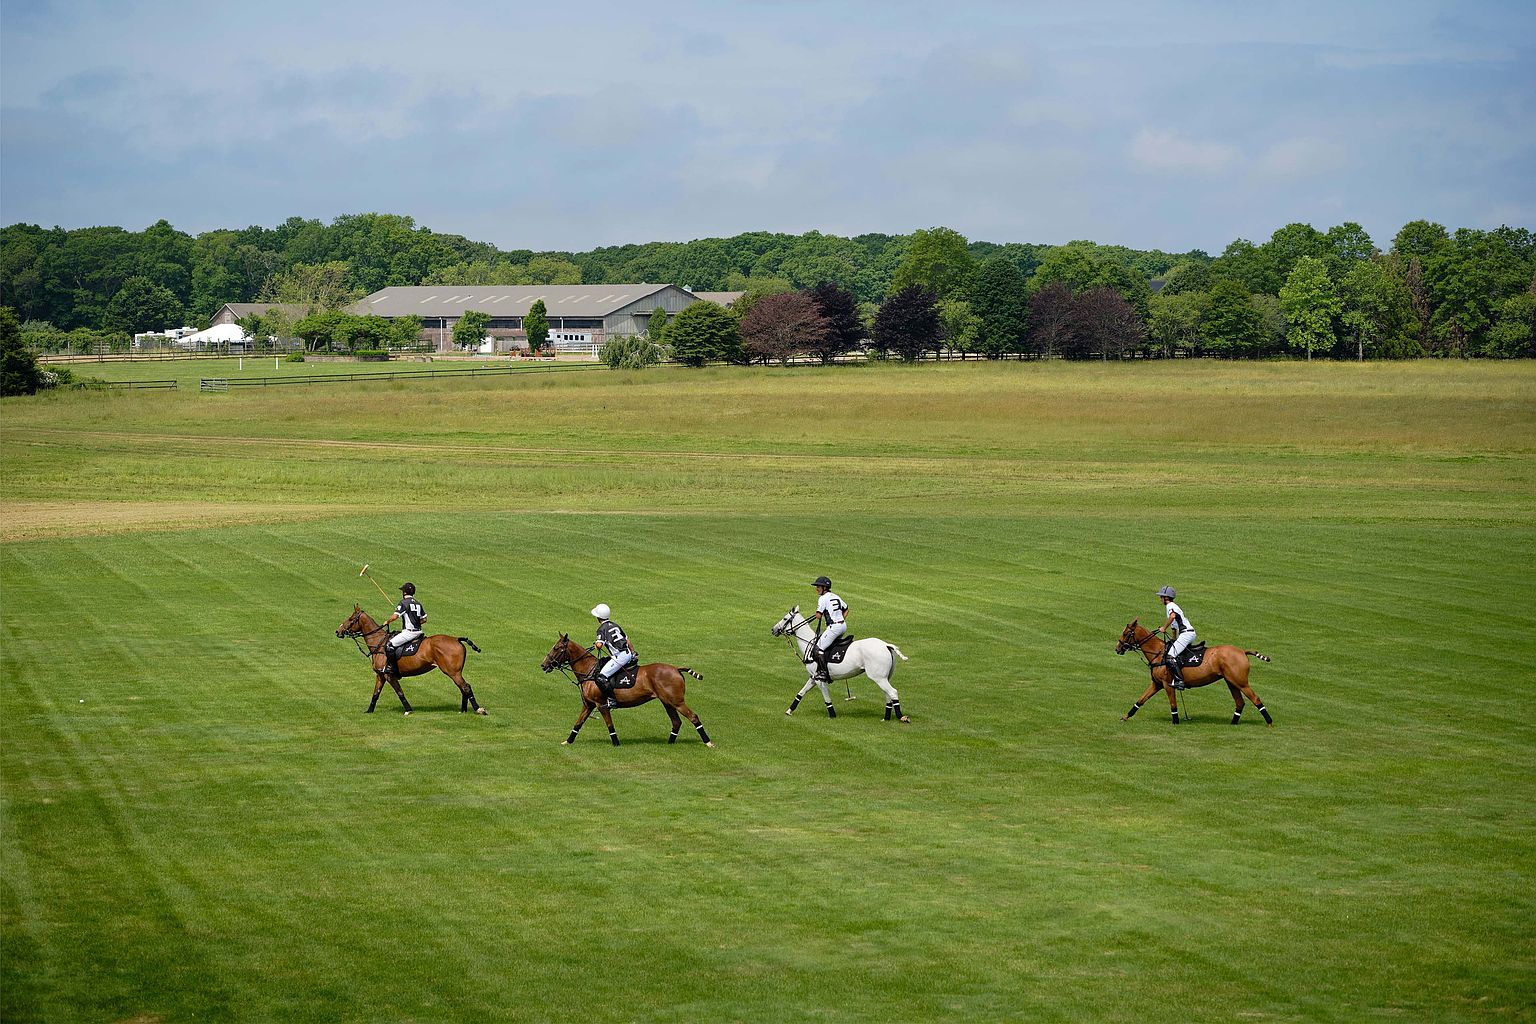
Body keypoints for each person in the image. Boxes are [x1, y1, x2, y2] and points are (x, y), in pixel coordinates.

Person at [591, 603, 635, 709]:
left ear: (598, 617)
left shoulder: (602, 629)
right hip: (628, 653)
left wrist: (596, 644)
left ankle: (612, 700)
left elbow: (599, 645)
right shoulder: (615, 625)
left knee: (601, 676)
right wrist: (633, 653)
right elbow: (627, 640)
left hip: (620, 656)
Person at [808, 575, 848, 683]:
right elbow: (846, 609)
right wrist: (840, 620)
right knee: (830, 646)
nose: (816, 589)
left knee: (818, 648)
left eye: (818, 587)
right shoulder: (836, 596)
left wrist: (821, 614)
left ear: (824, 588)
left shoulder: (823, 598)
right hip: (843, 626)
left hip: (834, 628)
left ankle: (823, 673)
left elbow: (818, 616)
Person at [1156, 585, 1196, 689]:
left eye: (1161, 597)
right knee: (1177, 654)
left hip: (1186, 634)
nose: (1160, 599)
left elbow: (1172, 616)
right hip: (1188, 633)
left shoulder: (1170, 605)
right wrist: (1173, 640)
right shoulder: (1171, 606)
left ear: (1166, 598)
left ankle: (1180, 681)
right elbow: (1174, 627)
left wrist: (1164, 628)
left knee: (1170, 656)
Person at [383, 582, 426, 678]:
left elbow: (395, 617)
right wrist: (416, 623)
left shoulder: (403, 603)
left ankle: (391, 668)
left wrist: (387, 621)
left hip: (409, 633)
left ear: (404, 593)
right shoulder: (418, 603)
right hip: (419, 632)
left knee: (389, 645)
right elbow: (424, 619)